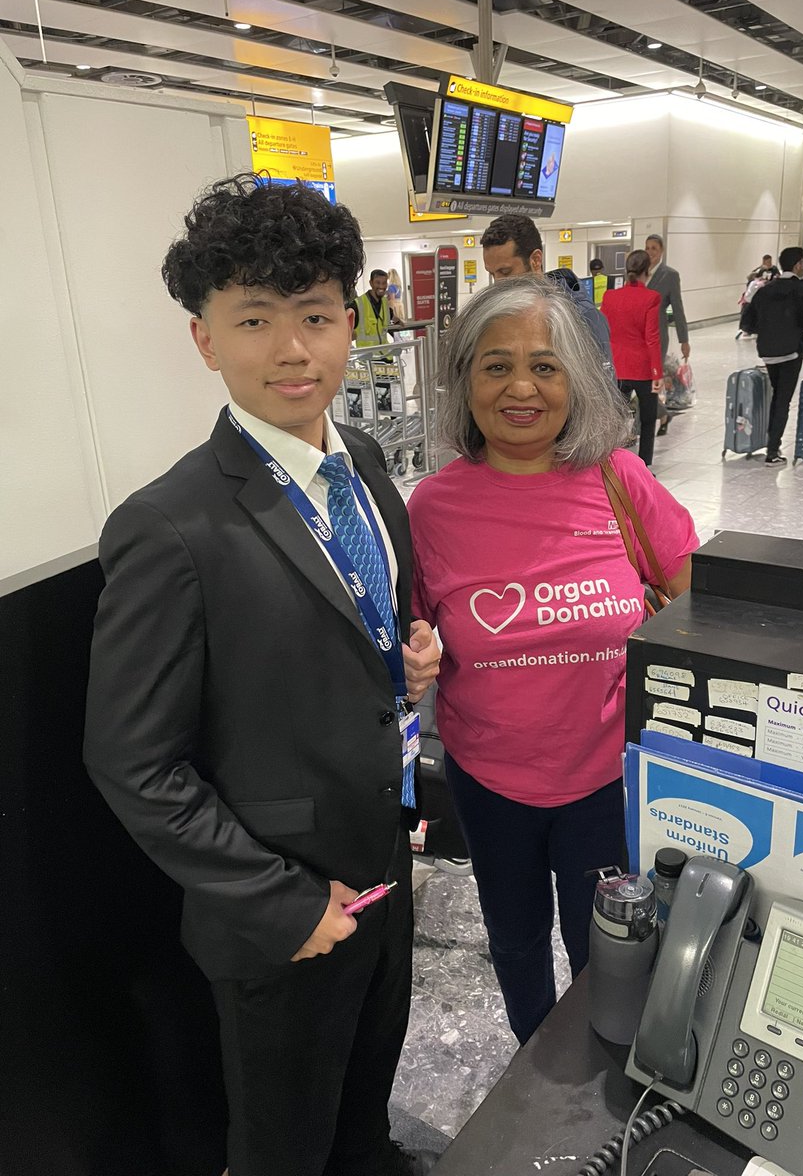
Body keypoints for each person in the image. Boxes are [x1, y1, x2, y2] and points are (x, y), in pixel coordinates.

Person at [83, 174, 441, 1176]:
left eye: (318, 316)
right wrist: (285, 906)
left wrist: (410, 662)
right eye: (255, 319)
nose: (294, 350)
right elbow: (131, 762)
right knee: (286, 1140)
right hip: (281, 911)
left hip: (383, 868)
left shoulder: (365, 462)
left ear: (347, 319)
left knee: (366, 1102)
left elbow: (369, 626)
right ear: (205, 339)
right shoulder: (170, 528)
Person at [407, 278, 697, 1045]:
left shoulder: (620, 481)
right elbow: (410, 632)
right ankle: (534, 1063)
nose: (521, 388)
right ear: (465, 382)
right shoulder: (432, 509)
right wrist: (414, 657)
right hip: (490, 779)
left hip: (607, 778)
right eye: (496, 367)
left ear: (576, 380)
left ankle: (603, 1070)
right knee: (516, 938)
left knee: (604, 948)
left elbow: (698, 609)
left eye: (545, 366)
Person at [480, 214, 615, 376]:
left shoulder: (583, 317)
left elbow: (602, 393)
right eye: (492, 274)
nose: (498, 284)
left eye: (505, 272)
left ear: (536, 260)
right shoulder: (503, 316)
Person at [739, 244, 803, 467]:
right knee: (782, 400)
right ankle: (772, 451)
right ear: (798, 265)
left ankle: (772, 443)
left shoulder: (764, 291)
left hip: (768, 352)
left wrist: (770, 329)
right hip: (791, 353)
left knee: (777, 396)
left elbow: (746, 323)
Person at [601, 249, 662, 468]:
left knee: (614, 419)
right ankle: (644, 467)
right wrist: (657, 373)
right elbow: (652, 338)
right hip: (643, 369)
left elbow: (605, 333)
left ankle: (610, 463)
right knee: (647, 420)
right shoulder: (651, 298)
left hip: (617, 366)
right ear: (648, 271)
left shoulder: (610, 297)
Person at [645, 234, 689, 436]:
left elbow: (678, 309)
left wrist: (684, 340)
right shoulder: (638, 273)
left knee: (650, 381)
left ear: (661, 251)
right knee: (641, 381)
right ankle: (662, 414)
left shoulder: (669, 275)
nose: (650, 252)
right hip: (637, 335)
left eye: (654, 248)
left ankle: (650, 420)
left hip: (657, 335)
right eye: (647, 248)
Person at [353, 267, 403, 348]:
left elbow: (393, 318)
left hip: (386, 355)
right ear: (371, 283)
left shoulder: (385, 303)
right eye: (378, 283)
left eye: (384, 283)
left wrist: (401, 327)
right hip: (368, 356)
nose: (381, 286)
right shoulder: (358, 304)